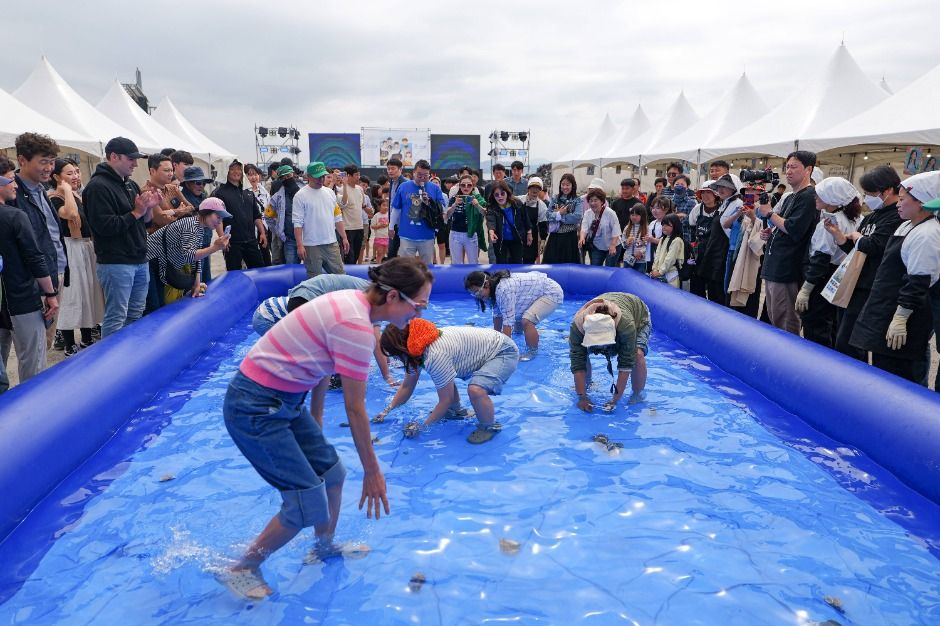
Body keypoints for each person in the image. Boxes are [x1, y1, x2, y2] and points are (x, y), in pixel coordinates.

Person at [218, 257, 433, 599]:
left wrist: (315, 418)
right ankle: (243, 567)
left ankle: (322, 547)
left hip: (282, 400)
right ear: (394, 297)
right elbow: (355, 408)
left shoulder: (355, 304)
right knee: (306, 502)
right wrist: (373, 472)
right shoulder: (356, 327)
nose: (418, 314)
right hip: (255, 407)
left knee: (332, 473)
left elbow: (319, 361)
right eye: (418, 304)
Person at [850, 172, 940, 384]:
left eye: (902, 200)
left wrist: (901, 317)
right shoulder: (907, 225)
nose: (897, 205)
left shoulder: (927, 234)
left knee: (904, 376)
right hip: (885, 311)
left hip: (907, 318)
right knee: (884, 371)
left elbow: (918, 281)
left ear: (922, 203)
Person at [375, 318, 519, 444]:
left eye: (396, 355)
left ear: (402, 349)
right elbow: (407, 386)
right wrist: (387, 411)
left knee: (475, 390)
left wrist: (422, 427)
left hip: (503, 352)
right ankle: (456, 412)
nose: (397, 360)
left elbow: (445, 400)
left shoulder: (434, 355)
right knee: (445, 381)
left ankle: (489, 427)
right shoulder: (417, 344)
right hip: (488, 346)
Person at [251, 273, 401, 387]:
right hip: (268, 316)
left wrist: (386, 360)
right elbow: (375, 342)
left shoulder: (372, 294)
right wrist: (388, 377)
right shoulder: (375, 301)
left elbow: (374, 342)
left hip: (296, 300)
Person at [83, 137, 161, 338]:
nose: (135, 164)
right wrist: (136, 212)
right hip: (115, 261)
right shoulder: (97, 187)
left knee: (135, 312)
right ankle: (110, 361)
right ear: (114, 157)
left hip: (138, 257)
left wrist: (148, 209)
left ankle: (128, 354)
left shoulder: (130, 184)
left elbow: (144, 222)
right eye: (131, 159)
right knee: (117, 315)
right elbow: (104, 227)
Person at [827, 166, 904, 361]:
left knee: (854, 341)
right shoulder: (872, 217)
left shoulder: (896, 216)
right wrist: (839, 236)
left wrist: (858, 237)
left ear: (886, 191)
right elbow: (856, 249)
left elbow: (876, 246)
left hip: (872, 288)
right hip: (854, 284)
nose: (867, 198)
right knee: (843, 339)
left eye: (870, 193)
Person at [0, 171, 58, 387]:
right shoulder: (14, 216)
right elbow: (34, 257)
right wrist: (50, 293)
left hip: (6, 297)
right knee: (33, 363)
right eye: (10, 180)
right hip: (21, 297)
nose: (15, 185)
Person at [754, 151, 820, 335]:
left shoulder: (808, 196)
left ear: (809, 169)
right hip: (775, 266)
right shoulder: (791, 196)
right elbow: (782, 226)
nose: (789, 171)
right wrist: (771, 231)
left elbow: (793, 229)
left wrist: (769, 214)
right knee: (775, 318)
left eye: (794, 167)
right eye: (787, 167)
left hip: (788, 269)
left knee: (786, 323)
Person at [14, 133, 68, 349]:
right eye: (43, 162)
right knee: (34, 347)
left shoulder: (42, 190)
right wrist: (45, 287)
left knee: (46, 340)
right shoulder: (14, 194)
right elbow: (27, 244)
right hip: (36, 280)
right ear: (22, 160)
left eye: (52, 162)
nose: (49, 168)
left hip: (56, 271)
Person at [795, 178, 863, 348]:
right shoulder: (854, 218)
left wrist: (807, 288)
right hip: (838, 277)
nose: (815, 198)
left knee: (816, 326)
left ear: (833, 197)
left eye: (820, 195)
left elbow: (821, 258)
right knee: (832, 324)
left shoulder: (831, 221)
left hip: (822, 279)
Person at [48, 158, 104, 356]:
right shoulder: (54, 198)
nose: (76, 176)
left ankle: (88, 336)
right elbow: (71, 214)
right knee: (72, 295)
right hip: (68, 248)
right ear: (56, 177)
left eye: (77, 172)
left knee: (89, 292)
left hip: (85, 247)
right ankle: (69, 341)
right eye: (69, 173)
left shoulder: (77, 196)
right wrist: (64, 190)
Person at [570, 292, 650, 412]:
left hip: (638, 315)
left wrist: (615, 400)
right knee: (582, 354)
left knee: (637, 354)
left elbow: (626, 365)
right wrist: (582, 397)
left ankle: (637, 394)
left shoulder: (626, 326)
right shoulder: (577, 328)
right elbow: (578, 364)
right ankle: (587, 385)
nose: (601, 346)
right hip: (608, 314)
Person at [464, 269, 563, 360]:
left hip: (551, 292)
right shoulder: (492, 289)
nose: (477, 296)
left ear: (486, 284)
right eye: (473, 294)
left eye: (477, 292)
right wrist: (495, 342)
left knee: (527, 321)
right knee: (517, 329)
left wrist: (504, 352)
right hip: (534, 292)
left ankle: (532, 353)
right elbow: (498, 315)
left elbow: (508, 322)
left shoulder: (503, 289)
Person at [146, 197, 231, 303]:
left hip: (159, 264)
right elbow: (189, 255)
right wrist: (215, 248)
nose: (219, 222)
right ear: (205, 213)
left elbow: (196, 259)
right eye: (218, 217)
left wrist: (197, 284)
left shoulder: (199, 227)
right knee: (153, 305)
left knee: (158, 302)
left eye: (221, 219)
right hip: (149, 262)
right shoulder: (191, 225)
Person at [294, 162, 348, 278]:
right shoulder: (300, 196)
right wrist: (300, 245)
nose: (321, 179)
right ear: (308, 177)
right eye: (317, 177)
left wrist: (344, 237)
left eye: (322, 176)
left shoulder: (330, 193)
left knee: (341, 276)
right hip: (311, 245)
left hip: (331, 243)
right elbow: (297, 223)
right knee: (315, 280)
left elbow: (337, 217)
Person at [213, 160, 267, 271]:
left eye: (239, 169)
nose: (236, 172)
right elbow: (218, 218)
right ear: (226, 172)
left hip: (251, 240)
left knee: (259, 270)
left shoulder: (247, 190)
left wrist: (262, 232)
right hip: (232, 243)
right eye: (232, 169)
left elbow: (256, 215)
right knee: (234, 274)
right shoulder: (220, 192)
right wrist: (222, 238)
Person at [390, 160, 445, 264]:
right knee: (406, 266)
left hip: (427, 235)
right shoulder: (403, 186)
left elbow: (441, 209)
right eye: (419, 174)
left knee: (427, 266)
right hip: (407, 234)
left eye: (426, 175)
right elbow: (396, 208)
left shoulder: (435, 188)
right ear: (413, 173)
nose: (423, 177)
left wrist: (428, 202)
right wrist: (391, 226)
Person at [688, 180, 725, 304]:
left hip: (716, 255)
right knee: (697, 290)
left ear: (716, 194)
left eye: (709, 193)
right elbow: (691, 227)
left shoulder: (723, 209)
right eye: (703, 193)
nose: (705, 196)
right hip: (699, 254)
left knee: (715, 292)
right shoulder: (697, 209)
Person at [179, 165, 214, 284]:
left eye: (204, 183)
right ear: (187, 183)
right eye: (198, 183)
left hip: (206, 243)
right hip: (192, 248)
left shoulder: (204, 197)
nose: (202, 186)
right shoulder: (182, 199)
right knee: (194, 282)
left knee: (206, 279)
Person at [486, 180, 533, 264]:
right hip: (501, 241)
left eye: (502, 193)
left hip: (516, 239)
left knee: (517, 263)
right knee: (501, 264)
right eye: (496, 195)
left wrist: (529, 233)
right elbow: (490, 220)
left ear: (507, 193)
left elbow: (526, 219)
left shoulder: (517, 203)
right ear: (493, 196)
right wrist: (491, 232)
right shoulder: (492, 207)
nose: (500, 197)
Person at [446, 175, 487, 264]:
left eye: (469, 185)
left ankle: (473, 278)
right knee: (457, 263)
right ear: (459, 186)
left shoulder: (477, 198)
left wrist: (477, 205)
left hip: (471, 234)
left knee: (473, 262)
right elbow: (447, 216)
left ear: (473, 187)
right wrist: (454, 205)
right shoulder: (454, 198)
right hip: (455, 234)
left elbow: (485, 213)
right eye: (463, 185)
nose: (466, 187)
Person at [542, 173, 583, 264]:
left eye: (568, 185)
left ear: (573, 185)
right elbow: (548, 215)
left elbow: (577, 217)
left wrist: (559, 216)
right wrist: (559, 213)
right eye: (563, 184)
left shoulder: (577, 200)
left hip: (570, 238)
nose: (565, 187)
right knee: (552, 263)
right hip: (555, 237)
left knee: (569, 264)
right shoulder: (555, 198)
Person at [268, 164, 302, 265]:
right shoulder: (276, 197)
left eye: (289, 176)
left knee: (311, 269)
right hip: (290, 241)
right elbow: (268, 216)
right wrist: (279, 232)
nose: (287, 179)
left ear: (294, 174)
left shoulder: (305, 190)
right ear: (280, 180)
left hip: (308, 238)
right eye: (284, 177)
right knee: (291, 269)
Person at [580, 188, 620, 267]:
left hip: (613, 244)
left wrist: (613, 245)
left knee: (609, 268)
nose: (593, 203)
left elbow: (616, 230)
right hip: (597, 246)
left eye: (595, 200)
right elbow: (584, 228)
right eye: (591, 201)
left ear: (602, 201)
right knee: (595, 267)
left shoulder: (610, 213)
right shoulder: (588, 213)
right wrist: (582, 238)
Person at [245, 164, 273, 265]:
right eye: (250, 174)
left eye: (255, 174)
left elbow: (270, 209)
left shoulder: (264, 191)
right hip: (251, 232)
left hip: (265, 230)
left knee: (267, 259)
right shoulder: (243, 192)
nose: (253, 177)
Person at [338, 165, 366, 264]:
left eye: (359, 174)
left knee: (356, 256)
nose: (358, 177)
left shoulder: (360, 189)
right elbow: (342, 205)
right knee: (349, 258)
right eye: (356, 175)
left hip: (359, 227)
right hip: (347, 229)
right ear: (348, 176)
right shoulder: (341, 190)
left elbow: (362, 204)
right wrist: (344, 186)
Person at [518, 177, 549, 264]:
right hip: (518, 234)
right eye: (532, 188)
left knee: (529, 260)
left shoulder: (542, 206)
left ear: (540, 190)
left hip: (532, 238)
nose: (534, 190)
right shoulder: (519, 200)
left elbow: (543, 225)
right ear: (528, 189)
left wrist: (543, 240)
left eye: (537, 188)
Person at [649, 214, 685, 287]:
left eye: (667, 225)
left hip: (671, 276)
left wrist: (660, 272)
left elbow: (670, 259)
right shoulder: (662, 239)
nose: (664, 227)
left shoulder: (677, 240)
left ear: (675, 226)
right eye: (663, 225)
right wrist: (654, 269)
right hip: (660, 274)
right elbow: (657, 256)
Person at [385, 157, 407, 258]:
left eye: (393, 168)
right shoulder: (392, 182)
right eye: (388, 168)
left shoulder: (406, 184)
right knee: (392, 253)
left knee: (404, 253)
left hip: (404, 224)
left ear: (400, 169)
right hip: (393, 224)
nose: (390, 171)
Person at [621, 205, 650, 273]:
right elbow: (623, 244)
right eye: (632, 215)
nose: (634, 217)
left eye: (637, 215)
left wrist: (641, 252)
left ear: (642, 216)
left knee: (639, 280)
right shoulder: (627, 228)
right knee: (627, 279)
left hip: (640, 261)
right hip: (628, 259)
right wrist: (626, 243)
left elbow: (648, 245)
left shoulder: (647, 228)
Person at [371, 197, 391, 264]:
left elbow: (392, 223)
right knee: (379, 253)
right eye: (384, 205)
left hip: (388, 237)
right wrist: (379, 226)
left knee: (387, 253)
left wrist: (388, 224)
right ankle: (378, 266)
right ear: (379, 206)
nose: (386, 207)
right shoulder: (376, 215)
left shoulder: (389, 215)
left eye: (387, 205)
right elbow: (372, 226)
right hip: (379, 237)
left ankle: (386, 267)